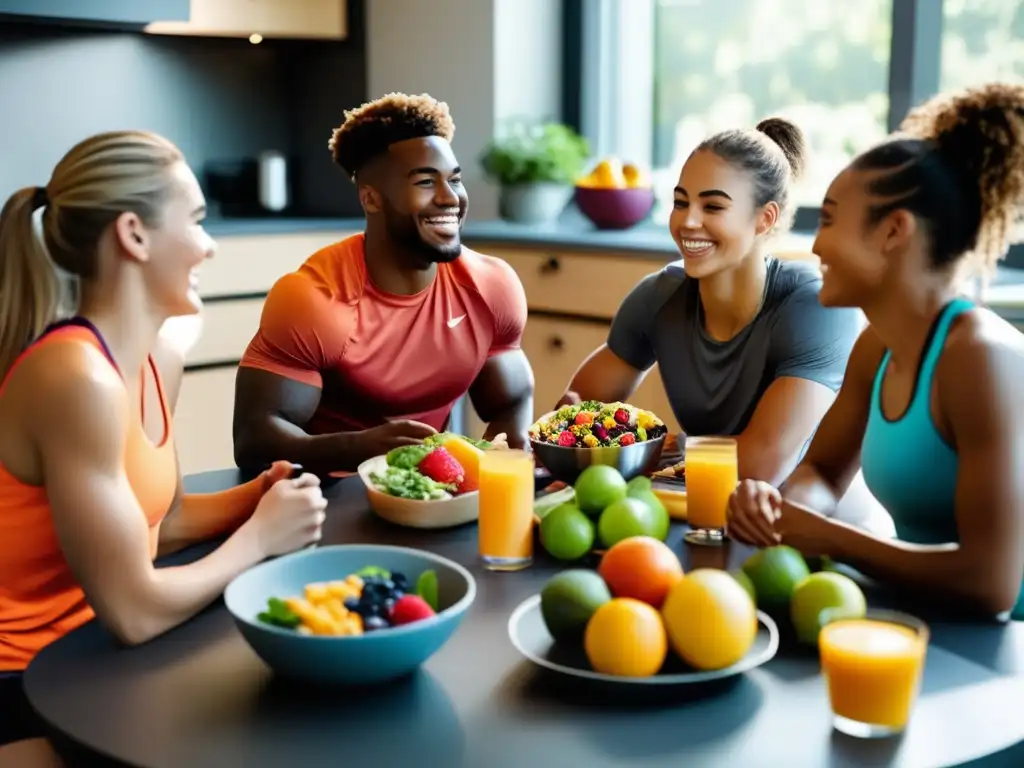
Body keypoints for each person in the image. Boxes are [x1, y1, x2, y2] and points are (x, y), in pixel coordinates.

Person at [0, 131, 328, 752]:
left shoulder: (157, 358)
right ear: (134, 234)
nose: (209, 247)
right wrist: (259, 539)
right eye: (198, 221)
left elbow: (160, 523)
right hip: (25, 677)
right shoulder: (75, 378)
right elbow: (135, 611)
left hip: (89, 648)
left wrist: (255, 498)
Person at [728, 83, 1024, 620]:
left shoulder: (978, 358)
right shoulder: (877, 347)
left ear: (893, 231)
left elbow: (992, 584)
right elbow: (820, 470)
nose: (816, 244)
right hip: (926, 621)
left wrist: (834, 539)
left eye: (832, 219)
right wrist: (783, 509)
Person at [561, 118, 882, 527]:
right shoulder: (658, 297)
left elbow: (761, 462)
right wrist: (574, 424)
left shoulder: (814, 307)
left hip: (814, 521)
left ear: (764, 219)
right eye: (680, 202)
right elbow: (578, 414)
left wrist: (652, 447)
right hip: (703, 507)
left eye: (712, 206)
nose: (688, 222)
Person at [233, 93, 533, 474]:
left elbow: (511, 401)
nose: (450, 199)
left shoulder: (492, 287)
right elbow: (254, 441)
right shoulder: (314, 300)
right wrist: (358, 448)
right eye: (426, 182)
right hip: (322, 493)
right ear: (371, 199)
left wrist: (486, 475)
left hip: (425, 491)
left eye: (454, 180)